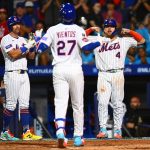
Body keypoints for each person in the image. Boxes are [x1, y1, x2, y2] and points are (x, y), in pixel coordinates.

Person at [36, 3, 100, 148]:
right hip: (75, 69)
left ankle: (60, 131)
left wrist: (36, 40)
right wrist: (98, 42)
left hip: (59, 69)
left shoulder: (52, 29)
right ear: (74, 15)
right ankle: (78, 137)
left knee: (60, 102)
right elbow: (86, 48)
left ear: (61, 15)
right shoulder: (78, 29)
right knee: (77, 104)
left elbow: (40, 49)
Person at [85, 18, 145, 139]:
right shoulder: (97, 39)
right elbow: (79, 37)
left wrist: (130, 31)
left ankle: (118, 130)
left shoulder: (124, 41)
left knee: (117, 103)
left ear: (115, 28)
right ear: (103, 27)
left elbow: (142, 40)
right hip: (103, 74)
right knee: (102, 102)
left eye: (112, 26)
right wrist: (90, 29)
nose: (109, 28)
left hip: (118, 74)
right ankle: (103, 129)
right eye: (107, 26)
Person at [0, 16, 42, 140]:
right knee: (11, 105)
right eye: (14, 24)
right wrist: (27, 45)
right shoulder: (5, 39)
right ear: (10, 26)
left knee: (24, 105)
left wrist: (33, 44)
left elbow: (31, 56)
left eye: (18, 24)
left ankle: (26, 132)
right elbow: (13, 54)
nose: (17, 26)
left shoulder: (23, 39)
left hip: (25, 73)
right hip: (12, 73)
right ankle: (4, 132)